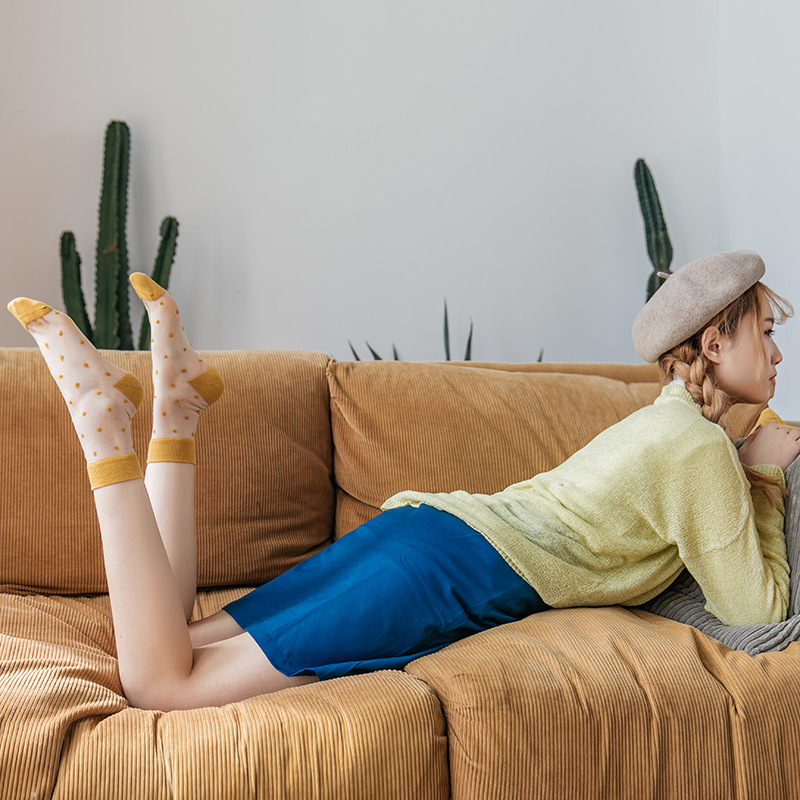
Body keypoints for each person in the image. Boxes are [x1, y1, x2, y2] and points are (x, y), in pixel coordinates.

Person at [8, 250, 800, 712]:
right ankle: (104, 426)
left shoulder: (668, 423)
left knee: (169, 641)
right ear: (714, 341)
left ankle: (177, 411)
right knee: (160, 686)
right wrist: (763, 477)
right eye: (764, 330)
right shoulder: (699, 449)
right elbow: (756, 612)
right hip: (445, 577)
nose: (776, 352)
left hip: (425, 534)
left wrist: (740, 463)